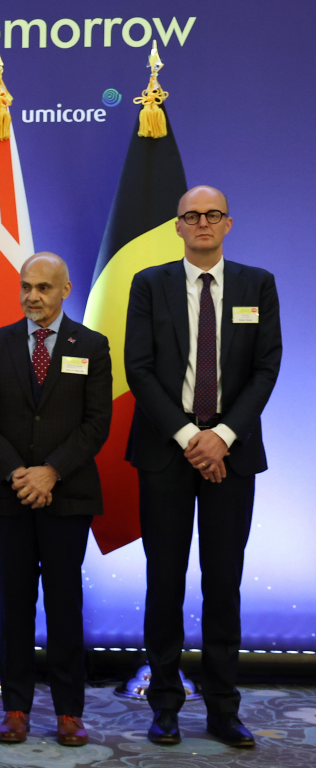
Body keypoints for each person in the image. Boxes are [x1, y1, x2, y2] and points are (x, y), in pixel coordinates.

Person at [125, 186, 281, 748]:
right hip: (167, 451)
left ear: (229, 224)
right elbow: (139, 369)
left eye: (213, 215)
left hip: (232, 457)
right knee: (163, 582)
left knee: (224, 585)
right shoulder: (149, 285)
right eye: (192, 216)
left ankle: (222, 709)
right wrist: (195, 438)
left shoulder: (256, 283)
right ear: (178, 226)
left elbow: (266, 368)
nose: (203, 223)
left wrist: (223, 438)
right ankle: (164, 703)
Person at [0, 253, 112, 747]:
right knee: (15, 605)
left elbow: (97, 424)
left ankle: (70, 711)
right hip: (11, 496)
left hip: (67, 496)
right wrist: (17, 474)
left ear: (66, 289)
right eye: (26, 286)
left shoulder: (91, 345)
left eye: (44, 288)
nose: (33, 296)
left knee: (64, 605)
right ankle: (15, 708)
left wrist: (51, 472)